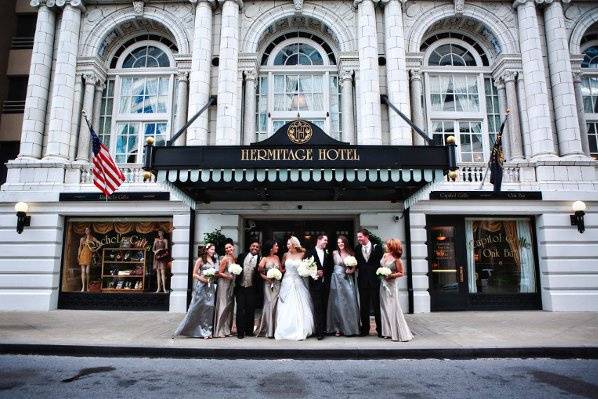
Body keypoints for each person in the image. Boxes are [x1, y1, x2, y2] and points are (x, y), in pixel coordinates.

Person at [173, 244, 218, 339]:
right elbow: (194, 274)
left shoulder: (214, 260)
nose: (213, 251)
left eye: (214, 249)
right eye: (211, 249)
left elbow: (215, 272)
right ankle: (189, 329)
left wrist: (213, 276)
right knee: (197, 307)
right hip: (201, 286)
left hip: (210, 286)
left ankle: (207, 331)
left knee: (209, 307)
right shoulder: (200, 260)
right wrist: (203, 278)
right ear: (207, 250)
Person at [274, 236, 314, 341]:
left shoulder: (303, 254)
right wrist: (274, 272)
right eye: (287, 244)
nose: (287, 246)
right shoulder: (285, 255)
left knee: (299, 304)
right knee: (285, 304)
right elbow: (282, 268)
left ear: (294, 244)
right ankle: (285, 329)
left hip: (298, 281)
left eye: (288, 244)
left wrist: (306, 270)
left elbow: (307, 266)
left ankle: (299, 328)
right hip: (287, 281)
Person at [380, 239, 413, 342]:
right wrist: (381, 273)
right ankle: (387, 332)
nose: (386, 246)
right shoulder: (385, 255)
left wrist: (391, 275)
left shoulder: (397, 259)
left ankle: (398, 333)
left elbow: (401, 273)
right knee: (384, 307)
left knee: (394, 307)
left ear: (392, 246)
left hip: (391, 285)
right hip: (383, 284)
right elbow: (382, 266)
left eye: (388, 245)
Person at [327, 235, 360, 337]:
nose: (340, 244)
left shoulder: (351, 254)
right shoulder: (334, 253)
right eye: (338, 243)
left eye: (341, 242)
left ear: (345, 243)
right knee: (337, 303)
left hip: (347, 280)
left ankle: (350, 328)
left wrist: (350, 270)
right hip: (336, 280)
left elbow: (354, 268)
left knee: (349, 302)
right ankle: (337, 328)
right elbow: (328, 266)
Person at [355, 228, 384, 337]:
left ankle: (380, 330)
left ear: (366, 236)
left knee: (377, 305)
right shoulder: (357, 248)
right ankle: (365, 329)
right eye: (358, 237)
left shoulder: (377, 247)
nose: (359, 239)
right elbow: (357, 264)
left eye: (360, 237)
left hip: (375, 280)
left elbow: (382, 263)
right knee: (364, 306)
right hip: (362, 281)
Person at [306, 234, 333, 340]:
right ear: (319, 240)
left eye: (327, 240)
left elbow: (331, 268)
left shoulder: (327, 252)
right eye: (325, 240)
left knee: (324, 306)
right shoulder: (310, 252)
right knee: (317, 307)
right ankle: (319, 331)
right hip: (315, 284)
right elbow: (305, 267)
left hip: (325, 284)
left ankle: (324, 329)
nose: (326, 242)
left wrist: (324, 273)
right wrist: (315, 272)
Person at [255, 240, 283, 338]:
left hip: (277, 284)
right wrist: (268, 278)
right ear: (271, 248)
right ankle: (268, 329)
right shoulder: (264, 259)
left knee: (276, 304)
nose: (278, 247)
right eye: (276, 246)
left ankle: (275, 329)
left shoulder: (277, 257)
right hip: (268, 284)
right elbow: (260, 272)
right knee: (270, 303)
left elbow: (281, 270)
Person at [234, 240, 261, 339]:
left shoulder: (260, 259)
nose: (255, 248)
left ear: (259, 249)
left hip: (252, 288)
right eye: (253, 246)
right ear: (250, 247)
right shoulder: (242, 256)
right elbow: (235, 267)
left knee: (250, 310)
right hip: (240, 287)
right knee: (240, 310)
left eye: (257, 247)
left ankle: (249, 331)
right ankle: (240, 332)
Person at [213, 242, 236, 338]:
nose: (228, 249)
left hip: (231, 284)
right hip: (224, 284)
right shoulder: (225, 259)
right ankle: (219, 330)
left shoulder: (233, 258)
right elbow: (218, 273)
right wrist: (228, 276)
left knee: (229, 306)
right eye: (226, 248)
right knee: (223, 305)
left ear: (233, 247)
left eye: (229, 247)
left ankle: (226, 330)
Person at [77, 226, 101, 292]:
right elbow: (80, 247)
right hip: (82, 254)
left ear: (90, 231)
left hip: (89, 254)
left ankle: (87, 287)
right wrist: (78, 255)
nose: (86, 231)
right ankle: (83, 287)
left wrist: (95, 250)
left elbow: (100, 244)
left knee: (87, 272)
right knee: (83, 271)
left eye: (88, 230)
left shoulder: (92, 238)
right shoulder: (82, 239)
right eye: (86, 230)